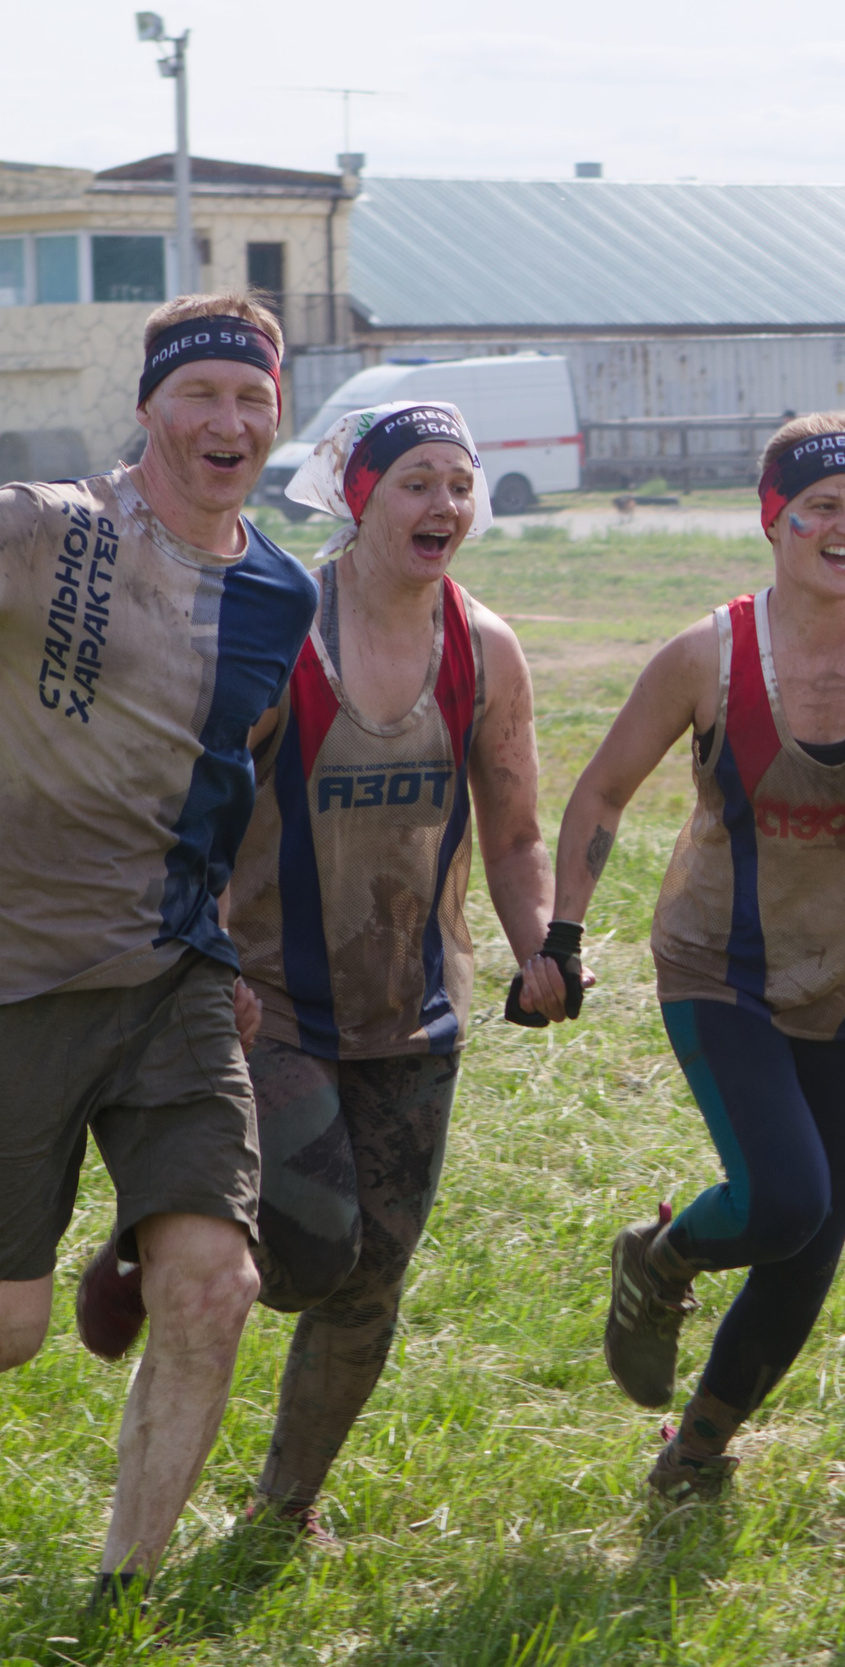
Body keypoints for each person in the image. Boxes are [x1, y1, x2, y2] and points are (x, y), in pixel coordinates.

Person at [78, 401, 559, 1546]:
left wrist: (542, 942)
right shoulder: (287, 628)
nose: (444, 504)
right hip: (269, 1003)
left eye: (459, 483)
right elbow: (192, 813)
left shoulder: (485, 648)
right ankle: (157, 1240)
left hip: (415, 1009)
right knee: (312, 1250)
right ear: (359, 496)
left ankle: (284, 1506)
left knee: (372, 1279)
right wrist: (207, 961)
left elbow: (514, 830)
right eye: (417, 482)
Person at [548, 414, 845, 1502]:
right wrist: (561, 935)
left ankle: (695, 1453)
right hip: (721, 969)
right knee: (786, 1198)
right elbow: (601, 790)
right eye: (823, 507)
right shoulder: (707, 656)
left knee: (811, 1250)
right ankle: (660, 1258)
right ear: (774, 519)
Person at [0, 294, 318, 1607]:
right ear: (149, 408)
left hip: (176, 978)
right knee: (12, 1328)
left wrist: (224, 948)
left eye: (252, 398)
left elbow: (225, 783)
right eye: (201, 394)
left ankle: (122, 1595)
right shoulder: (46, 528)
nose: (227, 421)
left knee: (212, 1284)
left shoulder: (281, 593)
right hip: (21, 975)